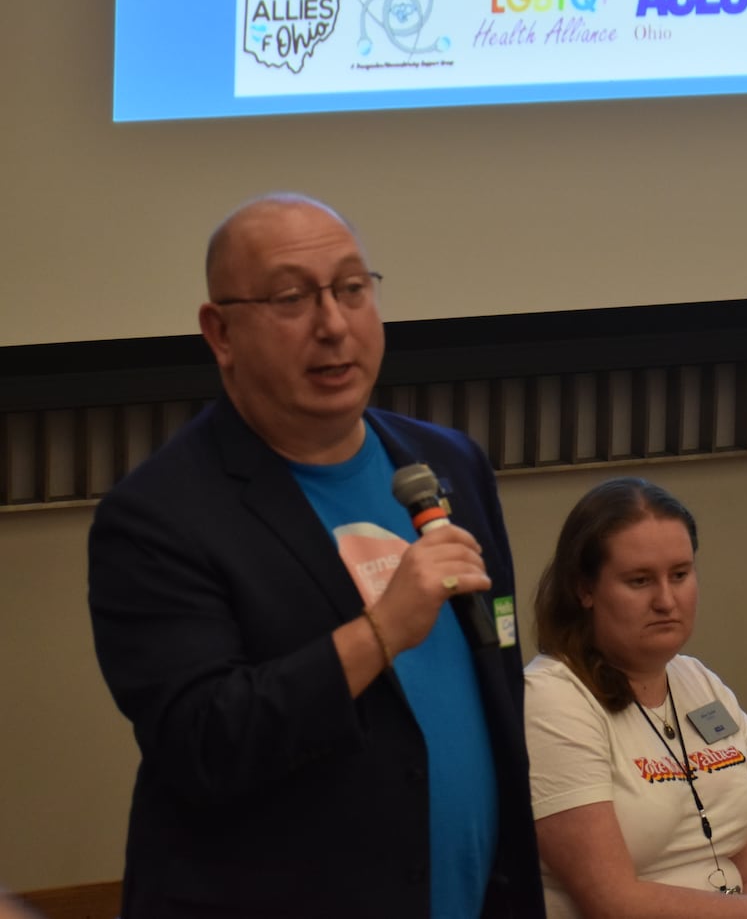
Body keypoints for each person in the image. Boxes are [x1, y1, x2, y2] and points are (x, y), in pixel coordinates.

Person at [87, 194, 543, 918]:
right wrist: (381, 630)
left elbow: (496, 675)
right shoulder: (158, 517)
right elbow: (206, 743)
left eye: (352, 289)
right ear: (221, 332)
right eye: (292, 298)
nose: (333, 325)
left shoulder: (446, 461)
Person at [523, 477, 747, 919]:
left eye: (679, 575)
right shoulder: (550, 699)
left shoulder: (702, 684)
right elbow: (612, 903)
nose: (666, 600)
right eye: (639, 581)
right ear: (584, 589)